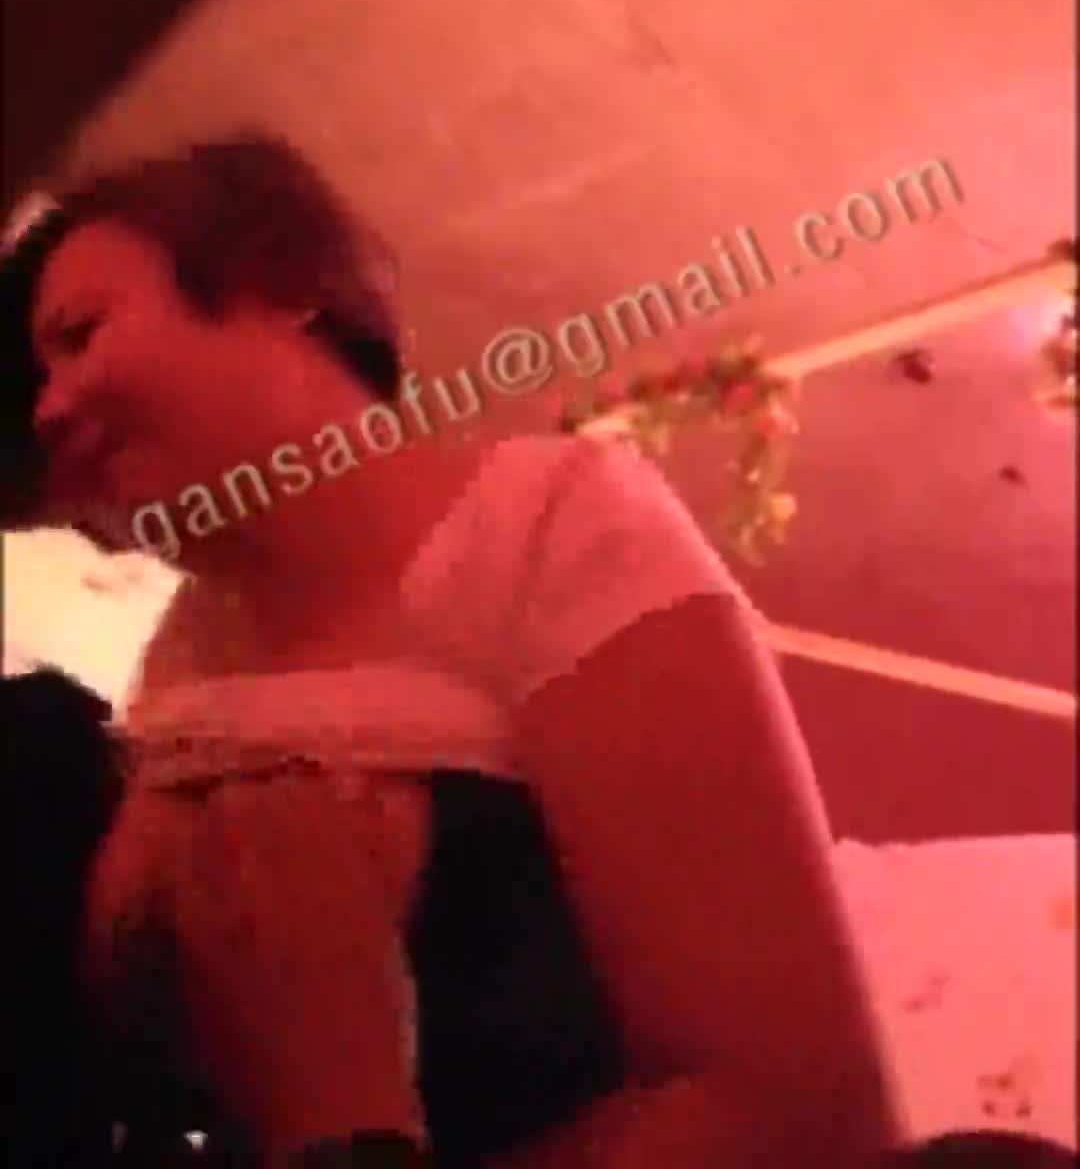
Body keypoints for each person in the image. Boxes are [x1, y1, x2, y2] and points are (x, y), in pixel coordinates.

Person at [1, 136, 903, 1167]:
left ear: (285, 279)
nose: (49, 408)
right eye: (36, 379)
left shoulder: (551, 523)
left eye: (80, 334)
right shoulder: (176, 658)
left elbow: (796, 1117)